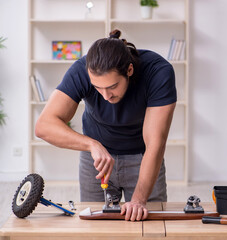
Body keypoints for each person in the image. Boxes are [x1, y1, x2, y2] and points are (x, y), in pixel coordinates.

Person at [35, 29, 176, 221]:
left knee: (148, 226)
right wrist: (91, 145)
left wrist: (139, 199)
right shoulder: (81, 70)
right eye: (97, 88)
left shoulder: (158, 72)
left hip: (144, 157)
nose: (105, 96)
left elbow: (155, 142)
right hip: (97, 161)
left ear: (130, 70)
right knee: (96, 228)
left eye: (112, 86)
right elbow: (44, 126)